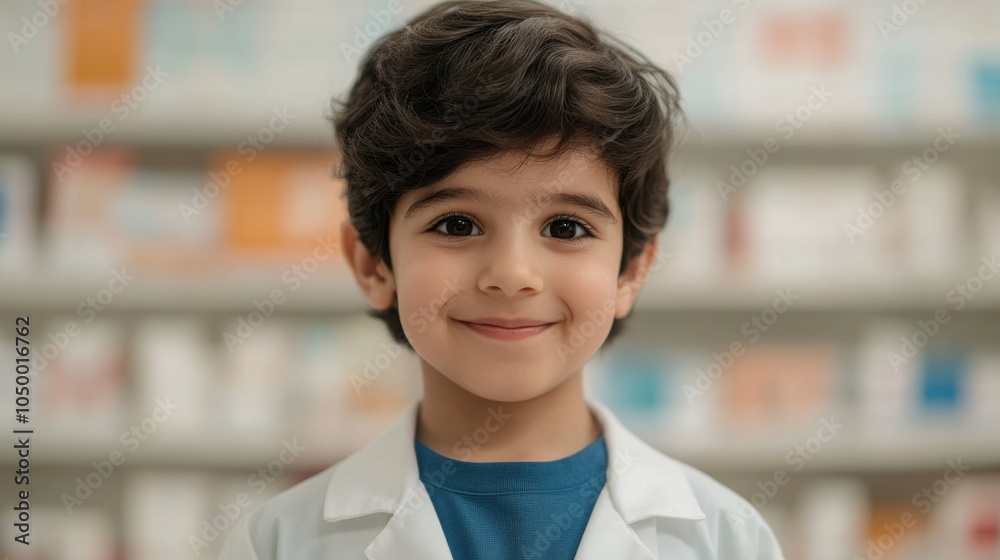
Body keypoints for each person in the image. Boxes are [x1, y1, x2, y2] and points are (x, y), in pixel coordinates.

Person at [218, 1, 786, 558]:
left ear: (631, 270)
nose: (512, 275)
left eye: (566, 227)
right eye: (457, 224)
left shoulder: (727, 538)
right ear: (373, 263)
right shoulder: (277, 542)